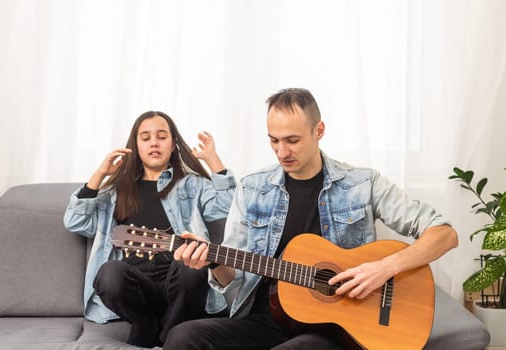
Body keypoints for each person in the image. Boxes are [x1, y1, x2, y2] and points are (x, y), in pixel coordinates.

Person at [166, 88, 459, 349]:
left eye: (292, 140)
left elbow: (445, 234)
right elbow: (233, 278)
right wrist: (214, 262)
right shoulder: (252, 188)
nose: (282, 152)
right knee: (182, 338)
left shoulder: (362, 183)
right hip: (263, 321)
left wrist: (383, 269)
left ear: (318, 130)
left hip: (331, 330)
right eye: (274, 141)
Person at [63, 110, 236, 348]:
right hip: (138, 288)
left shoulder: (192, 185)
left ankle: (167, 334)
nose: (154, 142)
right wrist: (100, 174)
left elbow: (229, 207)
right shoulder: (116, 192)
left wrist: (213, 159)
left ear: (174, 144)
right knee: (108, 273)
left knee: (193, 264)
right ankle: (146, 324)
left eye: (162, 136)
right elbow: (75, 221)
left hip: (182, 286)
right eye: (145, 137)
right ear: (135, 146)